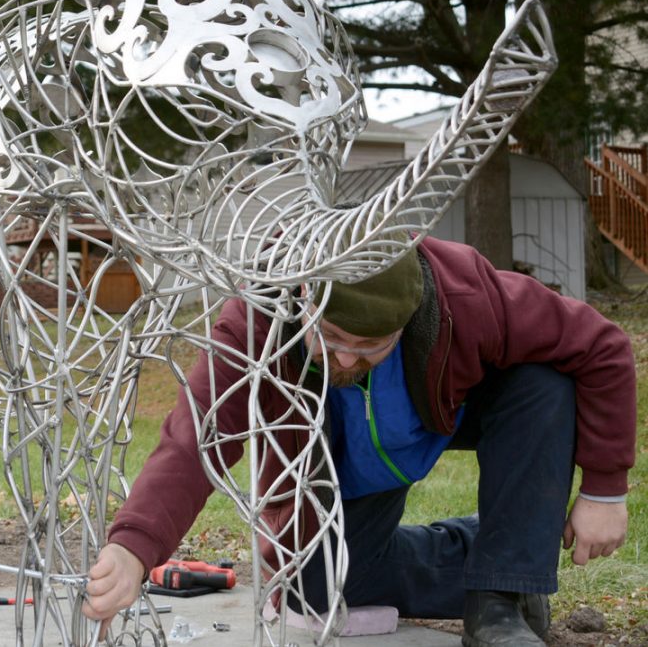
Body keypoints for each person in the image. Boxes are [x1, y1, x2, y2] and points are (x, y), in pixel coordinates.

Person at [81, 236, 635, 646]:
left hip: (440, 414)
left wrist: (605, 489)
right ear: (304, 300)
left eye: (371, 344)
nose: (347, 359)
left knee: (543, 383)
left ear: (408, 318)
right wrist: (134, 548)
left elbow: (601, 345)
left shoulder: (462, 293)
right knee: (324, 594)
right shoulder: (257, 321)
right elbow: (196, 438)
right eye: (332, 337)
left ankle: (500, 604)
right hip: (335, 470)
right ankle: (489, 552)